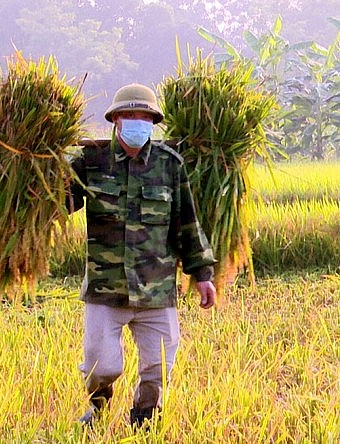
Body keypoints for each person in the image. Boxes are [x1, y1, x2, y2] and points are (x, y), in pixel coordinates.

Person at [67, 83, 217, 427]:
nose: (138, 122)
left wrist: (203, 275)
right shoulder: (92, 162)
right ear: (116, 120)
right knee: (101, 366)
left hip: (157, 289)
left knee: (158, 367)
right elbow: (56, 204)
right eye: (130, 115)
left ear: (153, 121)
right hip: (107, 288)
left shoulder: (169, 165)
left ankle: (144, 417)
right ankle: (99, 404)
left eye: (144, 116)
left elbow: (186, 223)